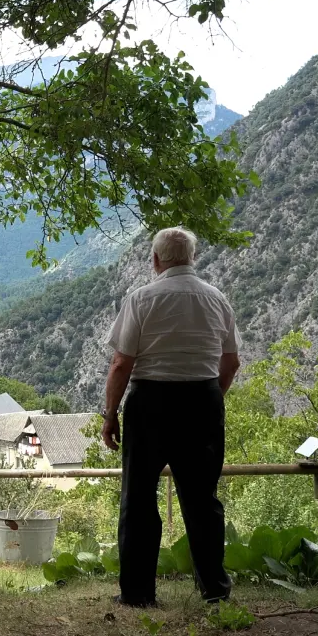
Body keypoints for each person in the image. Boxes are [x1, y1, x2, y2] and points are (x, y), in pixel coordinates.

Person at [101, 226, 241, 608]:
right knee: (202, 500)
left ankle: (137, 593)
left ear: (155, 260)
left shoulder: (141, 299)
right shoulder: (217, 299)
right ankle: (214, 590)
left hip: (150, 403)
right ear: (193, 258)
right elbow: (231, 362)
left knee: (139, 498)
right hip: (204, 401)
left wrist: (110, 415)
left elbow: (121, 364)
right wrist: (210, 398)